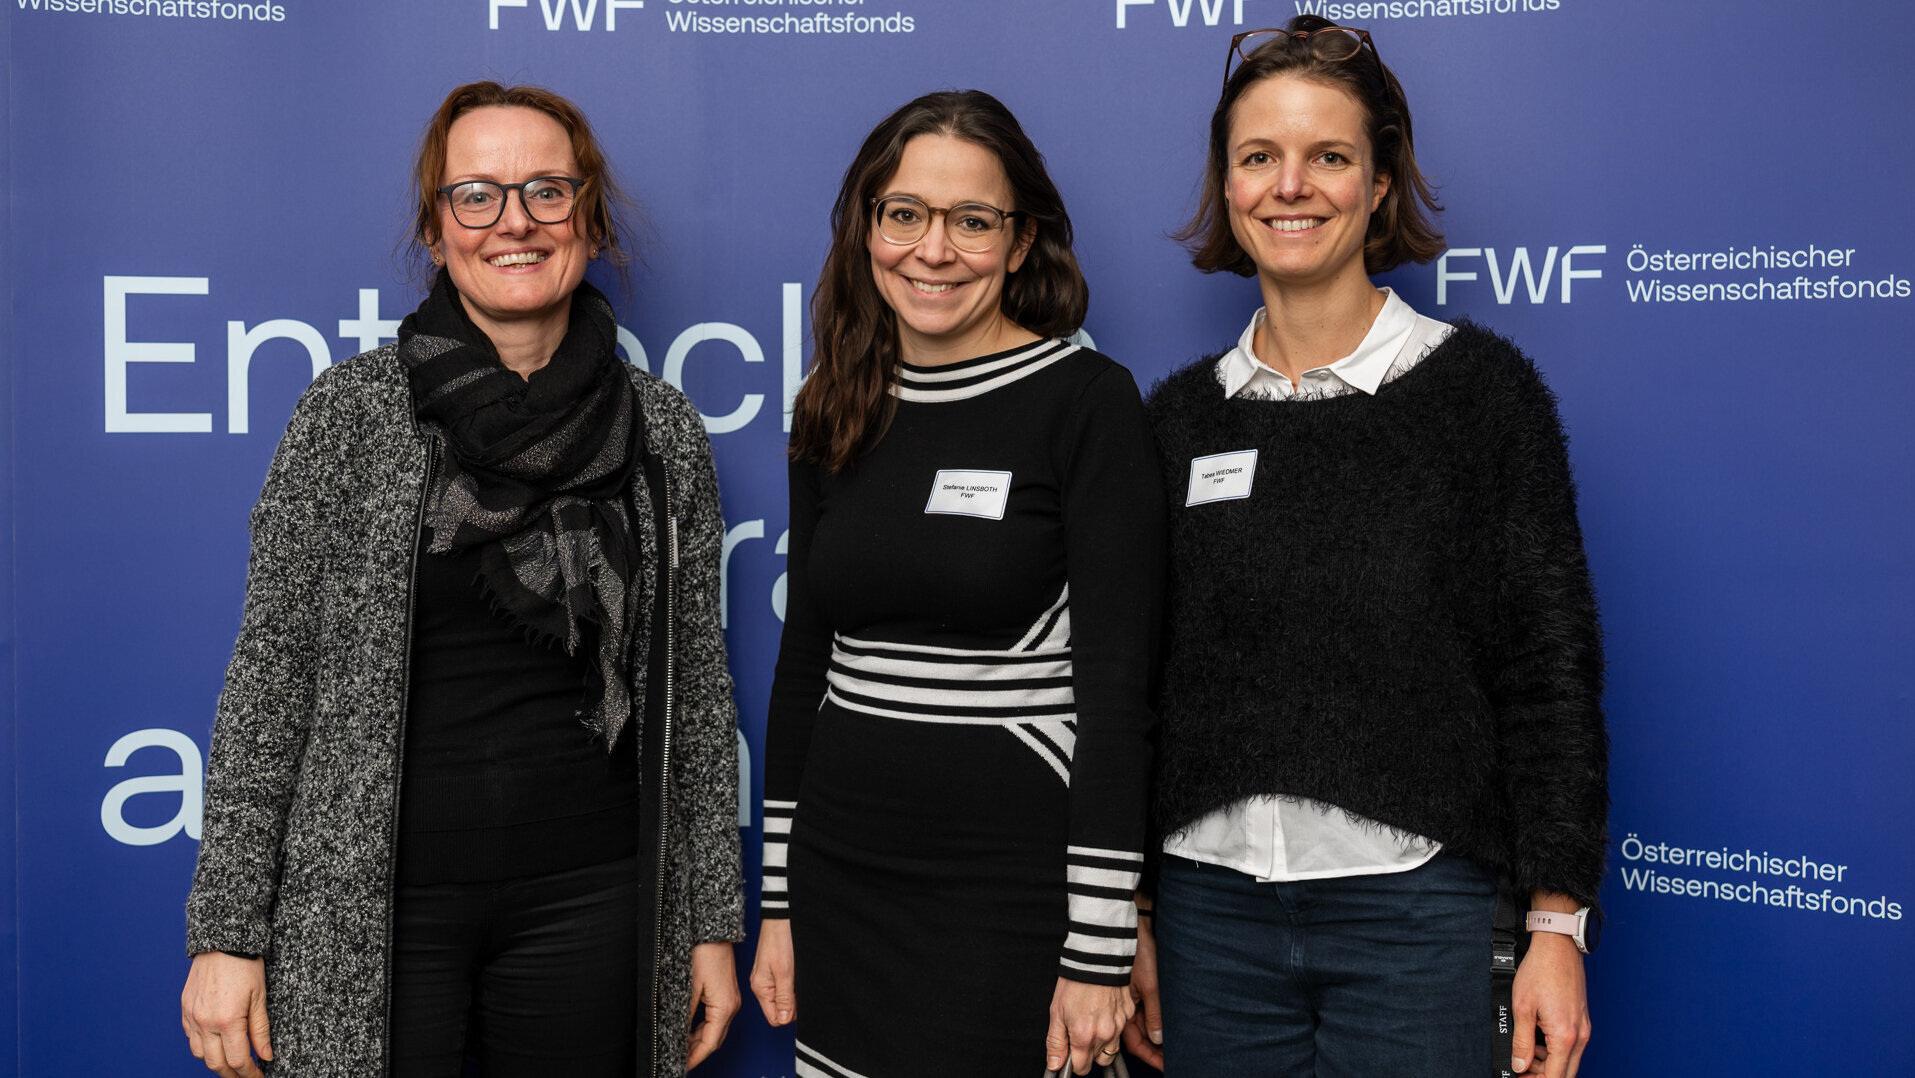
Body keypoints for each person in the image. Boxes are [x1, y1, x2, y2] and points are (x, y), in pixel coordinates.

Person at [179, 81, 743, 1078]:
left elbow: (692, 692)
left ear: (590, 221)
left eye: (547, 191)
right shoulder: (350, 416)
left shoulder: (661, 431)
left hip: (597, 899)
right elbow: (270, 679)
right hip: (371, 908)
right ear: (436, 231)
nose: (514, 221)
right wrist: (228, 933)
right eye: (476, 195)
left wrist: (707, 922)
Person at [1131, 18, 1608, 1078]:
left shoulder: (1482, 398)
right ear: (1227, 183)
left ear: (1380, 183)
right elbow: (1143, 687)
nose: (1289, 186)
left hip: (1417, 921)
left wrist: (1556, 924)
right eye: (1259, 156)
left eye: (1329, 157)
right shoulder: (1176, 424)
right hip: (1210, 927)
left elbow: (1548, 675)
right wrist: (1136, 913)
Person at [747, 90, 1166, 1078]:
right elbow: (805, 665)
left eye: (972, 221)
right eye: (905, 214)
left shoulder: (1086, 402)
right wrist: (778, 904)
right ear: (867, 227)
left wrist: (1099, 947)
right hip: (842, 882)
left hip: (1014, 894)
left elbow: (1117, 698)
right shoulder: (832, 403)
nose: (932, 250)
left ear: (1019, 244)